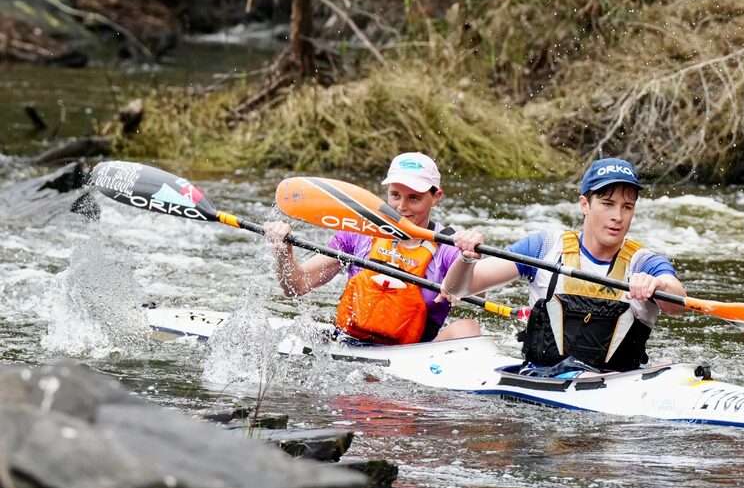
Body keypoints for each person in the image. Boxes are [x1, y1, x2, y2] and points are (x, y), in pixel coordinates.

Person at [440, 157, 685, 372]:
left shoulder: (644, 262)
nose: (618, 217)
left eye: (627, 207)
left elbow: (677, 304)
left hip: (616, 386)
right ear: (585, 204)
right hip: (542, 383)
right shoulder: (543, 247)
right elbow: (456, 289)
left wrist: (658, 284)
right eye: (607, 204)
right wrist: (466, 259)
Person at [264, 152, 481, 344]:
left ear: (436, 198)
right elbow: (297, 286)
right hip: (350, 342)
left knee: (468, 328)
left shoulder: (448, 247)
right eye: (395, 195)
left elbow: (476, 290)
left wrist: (469, 258)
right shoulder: (359, 232)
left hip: (413, 353)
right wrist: (283, 252)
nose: (401, 207)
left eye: (414, 198)